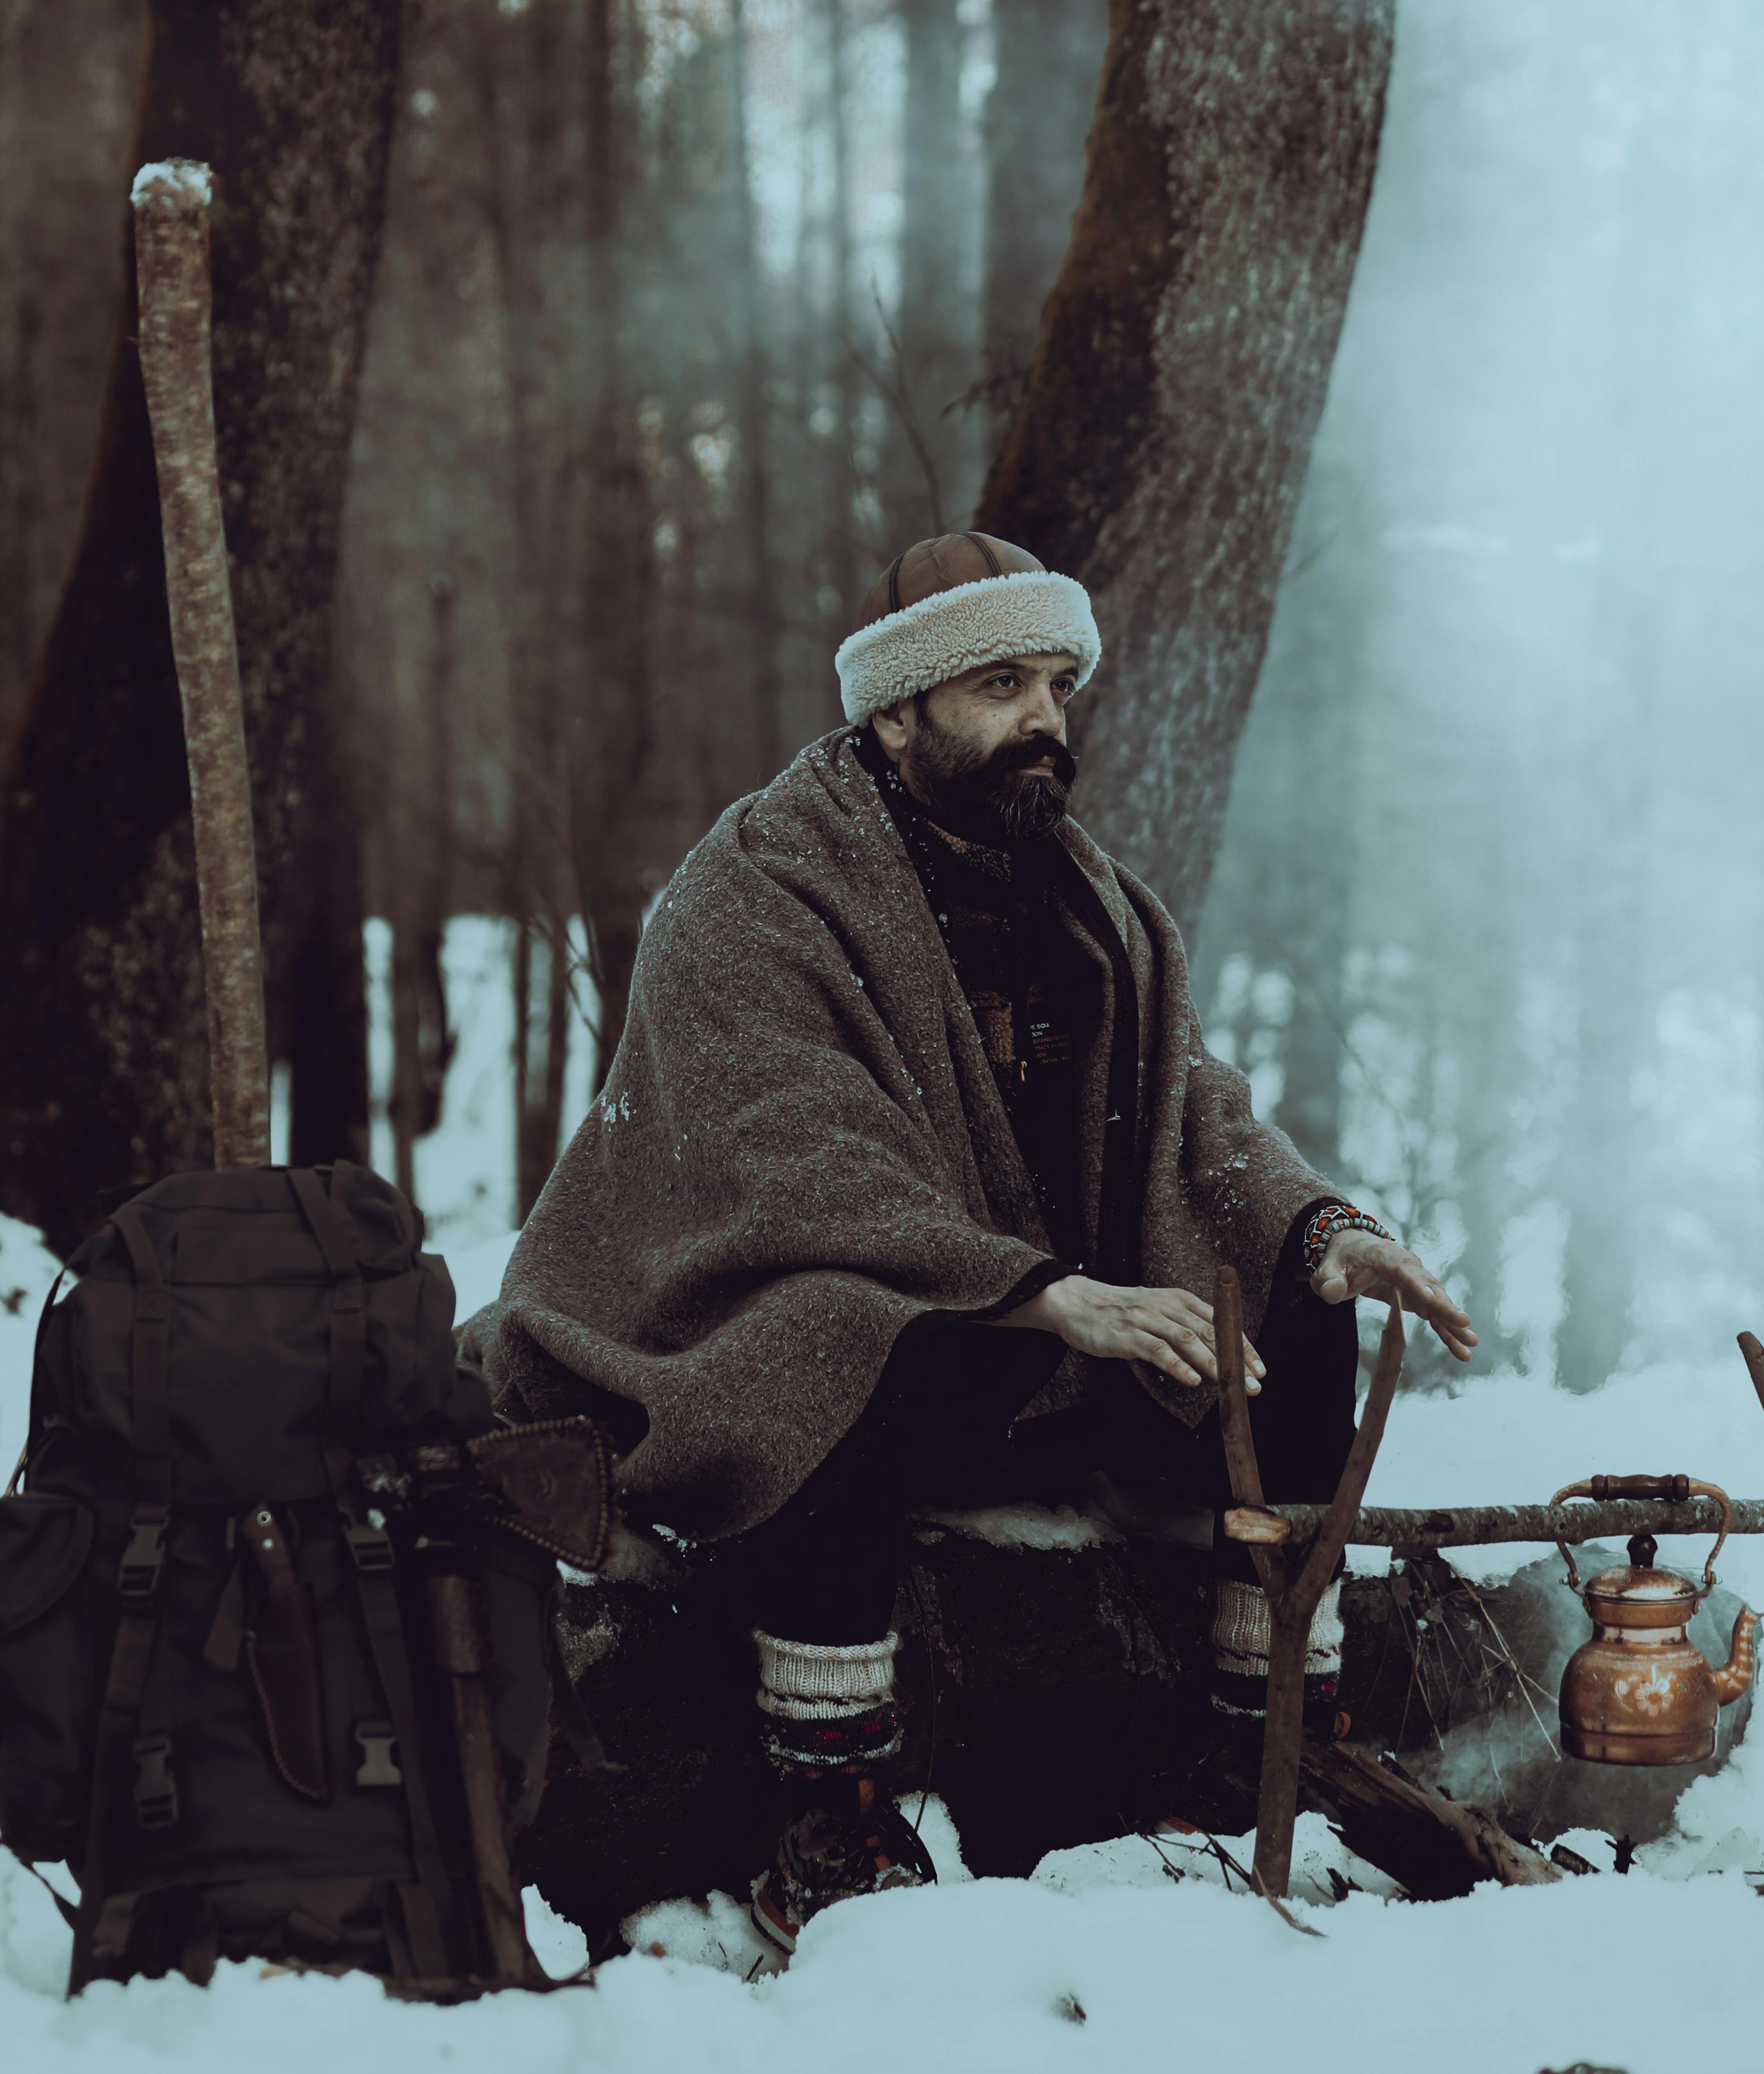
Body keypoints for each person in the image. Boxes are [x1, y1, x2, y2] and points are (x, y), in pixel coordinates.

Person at [486, 532, 1473, 1946]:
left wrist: (1323, 1228)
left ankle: (1259, 1748)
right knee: (830, 1327)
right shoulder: (751, 893)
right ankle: (828, 1815)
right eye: (1001, 683)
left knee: (1295, 1299)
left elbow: (1192, 1109)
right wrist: (1042, 1297)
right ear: (896, 712)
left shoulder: (1091, 902)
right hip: (750, 1329)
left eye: (1058, 683)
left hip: (1037, 1341)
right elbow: (792, 1155)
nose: (1044, 721)